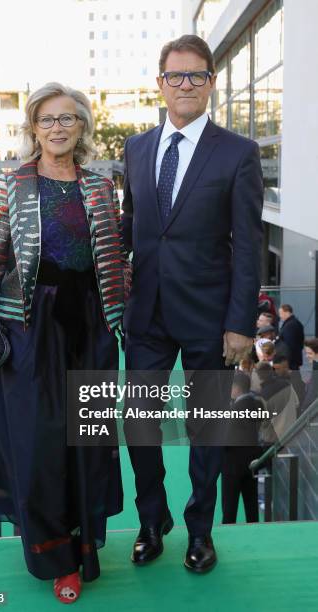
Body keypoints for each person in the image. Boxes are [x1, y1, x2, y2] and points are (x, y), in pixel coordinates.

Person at [0, 82, 130, 604]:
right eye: (47, 120)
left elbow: (116, 257)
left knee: (89, 440)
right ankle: (55, 557)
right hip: (33, 330)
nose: (58, 128)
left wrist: (125, 315)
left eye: (68, 119)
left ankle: (84, 549)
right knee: (40, 445)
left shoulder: (101, 187)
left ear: (82, 126)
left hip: (94, 330)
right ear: (33, 128)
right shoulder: (13, 185)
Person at [121, 34, 263, 573]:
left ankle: (200, 530)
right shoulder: (135, 148)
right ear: (160, 84)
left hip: (210, 318)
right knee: (139, 420)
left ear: (210, 83)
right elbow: (132, 228)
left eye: (196, 76)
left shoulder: (238, 152)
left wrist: (240, 323)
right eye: (176, 76)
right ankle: (152, 517)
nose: (186, 84)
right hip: (146, 314)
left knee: (207, 425)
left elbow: (248, 246)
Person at [221, 372, 263, 524]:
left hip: (233, 465)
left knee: (229, 508)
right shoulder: (256, 404)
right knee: (251, 505)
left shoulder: (236, 410)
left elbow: (225, 438)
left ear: (236, 388)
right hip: (251, 462)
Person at [278, 304, 304, 370]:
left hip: (291, 360)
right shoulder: (293, 323)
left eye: (281, 313)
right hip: (293, 359)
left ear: (287, 312)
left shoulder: (290, 325)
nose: (279, 316)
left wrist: (286, 360)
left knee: (293, 378)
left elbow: (289, 344)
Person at [299, 338, 318, 414]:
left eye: (310, 353)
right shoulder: (315, 363)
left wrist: (304, 409)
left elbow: (313, 392)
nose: (307, 356)